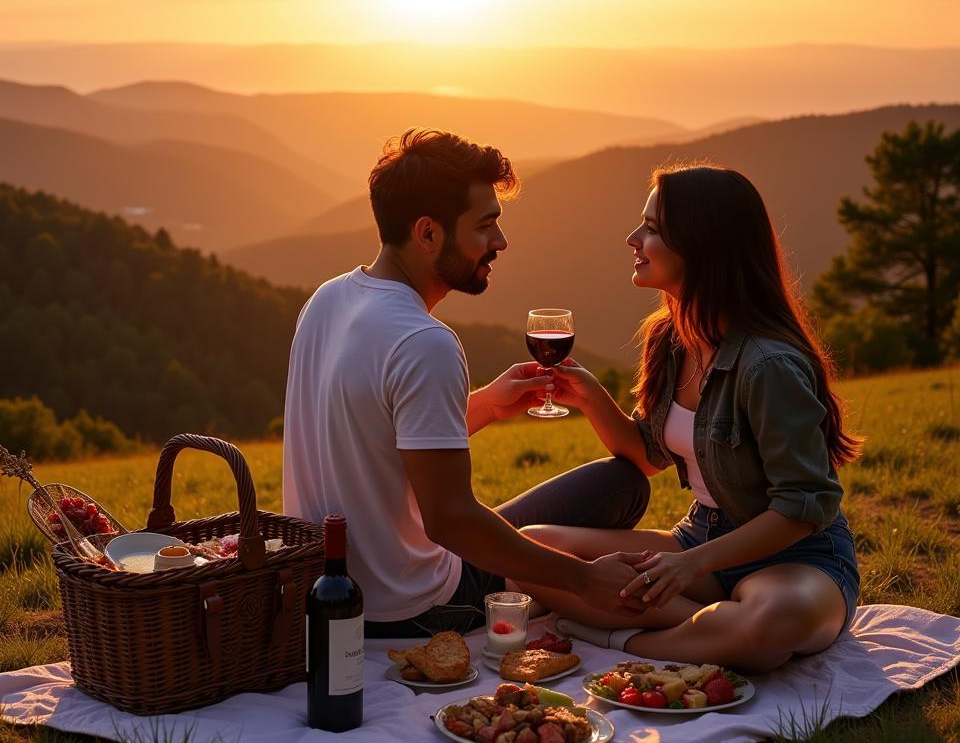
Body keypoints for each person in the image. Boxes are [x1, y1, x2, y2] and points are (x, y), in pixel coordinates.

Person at [282, 128, 651, 638]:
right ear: (428, 233)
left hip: (332, 591)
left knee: (572, 504)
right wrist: (583, 580)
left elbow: (378, 440)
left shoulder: (327, 300)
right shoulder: (422, 340)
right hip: (415, 608)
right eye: (485, 226)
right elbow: (450, 520)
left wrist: (487, 406)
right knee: (621, 485)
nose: (500, 242)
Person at [514, 164, 862, 673]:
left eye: (652, 228)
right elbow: (648, 455)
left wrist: (691, 564)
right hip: (700, 537)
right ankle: (711, 628)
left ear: (702, 244)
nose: (633, 239)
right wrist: (589, 395)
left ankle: (624, 639)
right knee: (532, 549)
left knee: (772, 620)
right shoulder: (669, 338)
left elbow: (803, 507)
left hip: (793, 557)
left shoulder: (768, 365)